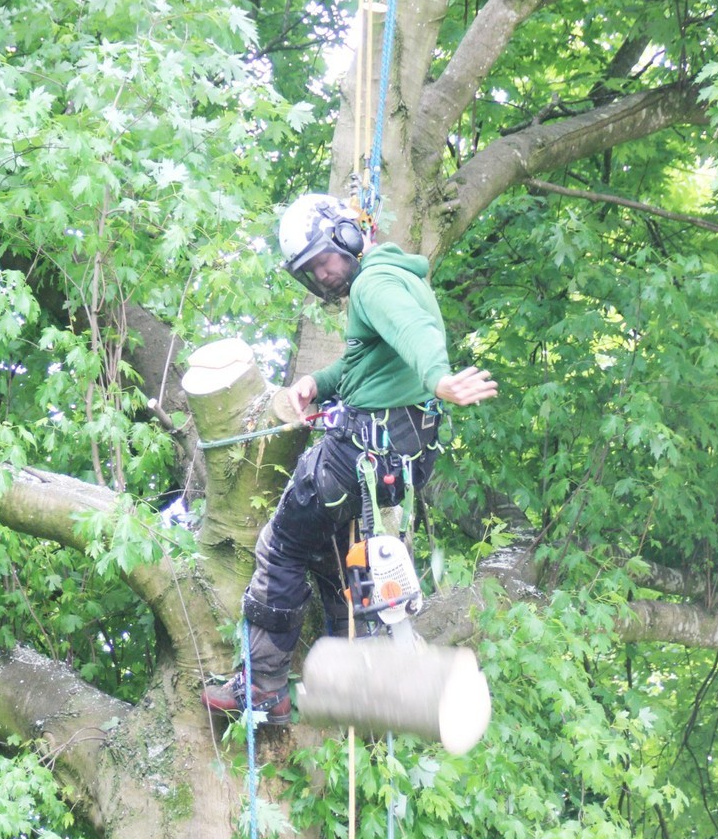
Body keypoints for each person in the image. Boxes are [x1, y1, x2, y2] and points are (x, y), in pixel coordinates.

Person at [202, 194, 497, 724]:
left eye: (325, 261)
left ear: (350, 236)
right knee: (334, 550)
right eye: (312, 273)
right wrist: (319, 381)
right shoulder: (397, 275)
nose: (326, 277)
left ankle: (262, 690)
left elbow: (411, 330)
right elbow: (365, 363)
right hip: (397, 455)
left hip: (360, 449)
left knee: (283, 545)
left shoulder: (375, 283)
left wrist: (440, 377)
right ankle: (352, 661)